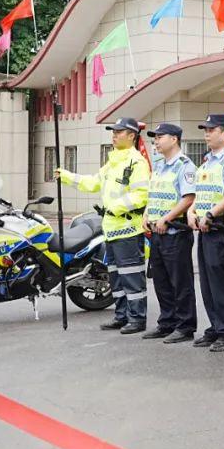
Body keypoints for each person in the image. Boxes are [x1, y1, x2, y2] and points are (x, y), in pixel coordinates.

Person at [56, 117, 150, 334]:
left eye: (119, 132)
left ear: (132, 136)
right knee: (115, 276)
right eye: (113, 132)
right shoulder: (113, 162)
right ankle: (122, 316)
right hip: (112, 229)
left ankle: (137, 319)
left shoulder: (136, 163)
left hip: (128, 229)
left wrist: (116, 206)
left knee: (131, 276)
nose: (114, 135)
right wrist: (67, 176)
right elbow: (93, 182)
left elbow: (141, 195)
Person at [189, 114, 224, 353]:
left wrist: (212, 213)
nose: (207, 134)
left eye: (211, 130)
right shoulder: (206, 162)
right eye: (205, 130)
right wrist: (191, 211)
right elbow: (199, 193)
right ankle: (216, 326)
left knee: (222, 281)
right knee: (207, 282)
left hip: (221, 228)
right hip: (204, 228)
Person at [141, 123, 198, 344]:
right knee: (161, 280)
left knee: (180, 281)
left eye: (160, 137)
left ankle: (185, 326)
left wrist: (167, 217)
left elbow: (189, 197)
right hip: (157, 232)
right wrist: (147, 214)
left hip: (175, 232)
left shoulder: (185, 166)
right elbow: (154, 194)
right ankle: (167, 321)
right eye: (154, 137)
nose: (156, 141)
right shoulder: (159, 165)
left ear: (174, 139)